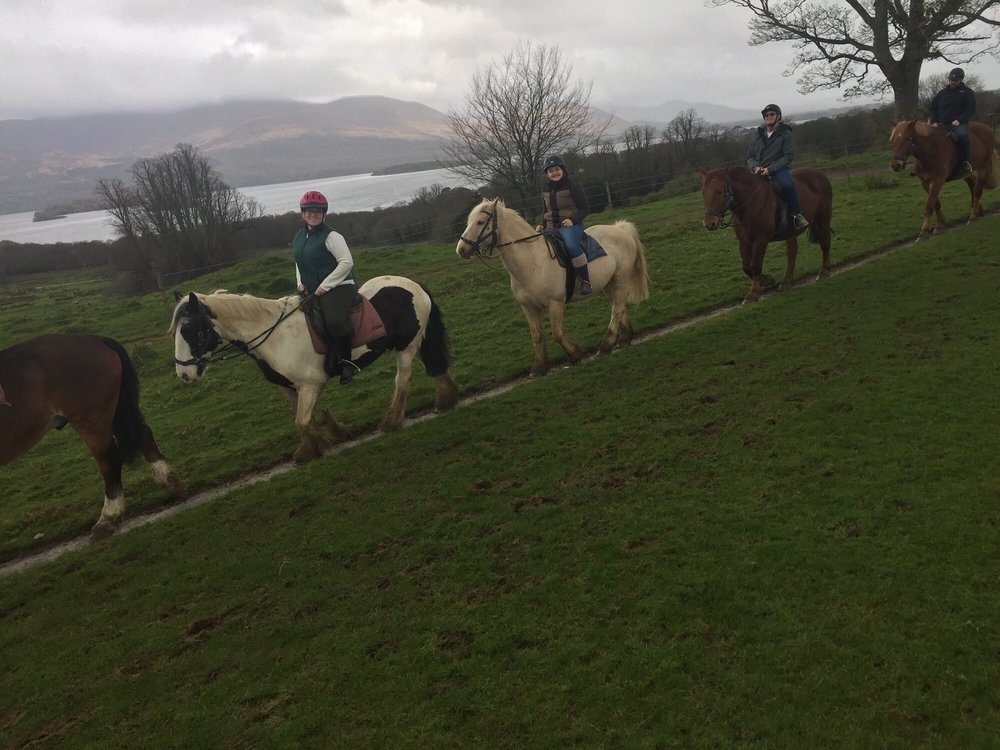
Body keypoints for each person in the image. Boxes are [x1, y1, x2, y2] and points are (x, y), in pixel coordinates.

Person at [292, 190, 361, 385]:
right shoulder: (299, 236)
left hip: (339, 286)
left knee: (334, 321)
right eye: (308, 211)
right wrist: (300, 282)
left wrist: (324, 286)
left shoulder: (332, 236)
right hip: (311, 288)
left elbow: (346, 262)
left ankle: (347, 362)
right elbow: (299, 261)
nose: (312, 214)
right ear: (302, 213)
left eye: (317, 211)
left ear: (324, 213)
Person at [535, 155, 592, 294]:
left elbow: (585, 209)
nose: (554, 173)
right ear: (546, 174)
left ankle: (586, 281)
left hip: (570, 225)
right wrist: (541, 224)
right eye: (551, 171)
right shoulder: (546, 189)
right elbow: (545, 210)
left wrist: (572, 220)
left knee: (572, 246)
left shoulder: (573, 187)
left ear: (563, 170)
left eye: (557, 169)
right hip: (550, 226)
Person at [746, 104, 809, 230]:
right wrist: (755, 167)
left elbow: (788, 156)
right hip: (759, 170)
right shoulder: (757, 135)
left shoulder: (785, 134)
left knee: (787, 185)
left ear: (778, 116)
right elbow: (750, 157)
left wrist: (770, 169)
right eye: (766, 115)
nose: (768, 117)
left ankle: (797, 215)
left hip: (778, 169)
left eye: (772, 114)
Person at [929, 67, 976, 176]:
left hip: (958, 123)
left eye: (955, 80)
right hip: (940, 123)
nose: (952, 82)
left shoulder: (967, 93)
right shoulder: (942, 93)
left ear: (960, 80)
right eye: (951, 80)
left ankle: (964, 161)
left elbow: (970, 109)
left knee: (962, 136)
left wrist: (959, 120)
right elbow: (933, 108)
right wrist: (934, 121)